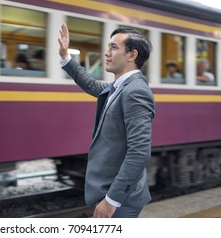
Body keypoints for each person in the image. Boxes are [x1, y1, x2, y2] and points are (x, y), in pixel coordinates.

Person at [58, 24, 155, 218]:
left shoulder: (135, 91)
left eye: (113, 47)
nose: (106, 53)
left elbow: (139, 152)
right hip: (114, 193)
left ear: (131, 55)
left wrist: (112, 201)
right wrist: (65, 57)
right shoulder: (120, 86)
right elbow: (92, 84)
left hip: (121, 200)